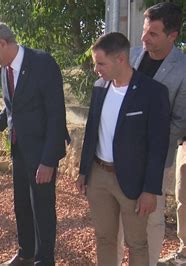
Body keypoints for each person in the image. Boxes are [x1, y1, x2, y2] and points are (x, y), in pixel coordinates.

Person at [0, 21, 70, 265]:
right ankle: (26, 253)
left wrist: (48, 161)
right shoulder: (5, 69)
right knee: (22, 205)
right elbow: (11, 108)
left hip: (42, 152)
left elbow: (56, 114)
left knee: (43, 208)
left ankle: (44, 260)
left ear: (3, 43)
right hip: (19, 150)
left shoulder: (43, 63)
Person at [76, 32, 170, 265]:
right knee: (104, 238)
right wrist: (83, 171)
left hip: (133, 182)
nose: (96, 69)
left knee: (137, 243)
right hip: (98, 176)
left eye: (101, 63)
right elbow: (91, 131)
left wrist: (150, 190)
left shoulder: (153, 92)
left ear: (121, 59)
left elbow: (158, 146)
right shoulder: (99, 87)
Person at [115, 3, 186, 265]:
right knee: (119, 217)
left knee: (150, 219)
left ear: (172, 35)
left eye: (153, 34)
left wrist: (150, 148)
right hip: (117, 154)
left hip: (153, 157)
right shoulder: (131, 55)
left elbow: (179, 121)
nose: (144, 38)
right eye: (144, 31)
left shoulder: (183, 69)